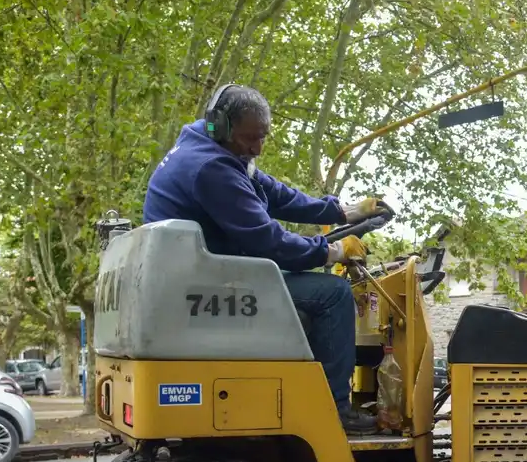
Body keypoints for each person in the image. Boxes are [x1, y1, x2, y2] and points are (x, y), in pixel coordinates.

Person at [143, 84, 388, 435]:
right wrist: (332, 251)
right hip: (208, 282)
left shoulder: (209, 145)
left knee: (299, 275)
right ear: (222, 125)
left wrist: (341, 211)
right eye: (250, 139)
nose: (257, 148)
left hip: (205, 269)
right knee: (334, 294)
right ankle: (334, 409)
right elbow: (267, 240)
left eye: (262, 137)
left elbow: (272, 192)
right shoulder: (211, 168)